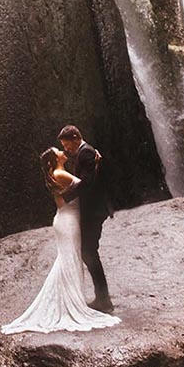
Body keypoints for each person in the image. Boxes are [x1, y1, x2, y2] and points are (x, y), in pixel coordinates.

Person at [0, 146, 120, 335]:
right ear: (54, 159)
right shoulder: (59, 173)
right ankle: (70, 302)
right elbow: (84, 186)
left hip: (66, 219)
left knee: (68, 260)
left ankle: (71, 299)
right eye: (59, 152)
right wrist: (96, 164)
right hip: (68, 221)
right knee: (69, 260)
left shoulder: (58, 172)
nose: (63, 152)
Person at [57, 125, 114, 312]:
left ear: (75, 138)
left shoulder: (86, 153)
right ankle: (102, 298)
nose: (67, 149)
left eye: (68, 145)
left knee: (89, 252)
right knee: (89, 252)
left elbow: (87, 183)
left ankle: (103, 299)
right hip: (92, 210)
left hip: (94, 211)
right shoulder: (86, 152)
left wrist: (63, 197)